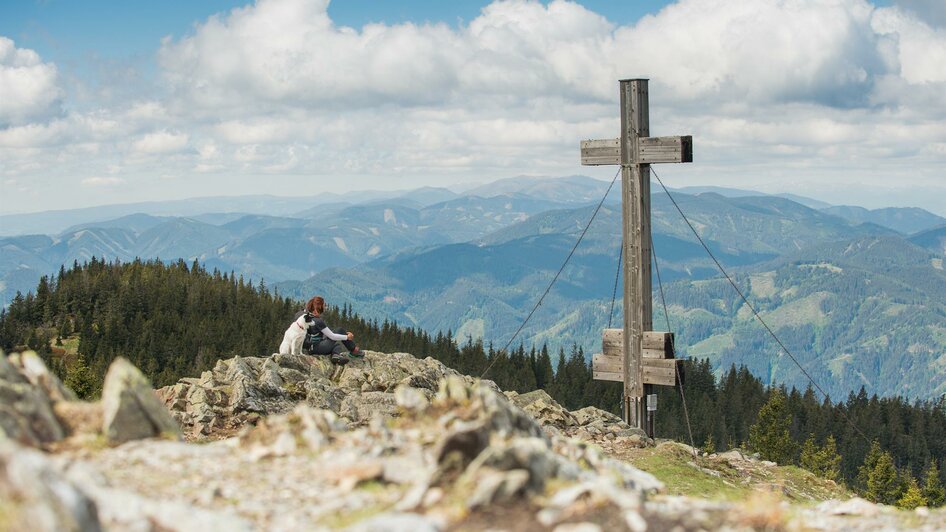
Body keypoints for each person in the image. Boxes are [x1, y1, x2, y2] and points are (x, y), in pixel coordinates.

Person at [299, 296, 362, 364]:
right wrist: (347, 337)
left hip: (309, 349)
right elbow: (332, 336)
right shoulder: (317, 321)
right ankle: (354, 351)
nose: (324, 307)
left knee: (336, 344)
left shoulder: (301, 316)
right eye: (323, 306)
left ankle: (335, 356)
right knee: (339, 331)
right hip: (317, 348)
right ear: (319, 307)